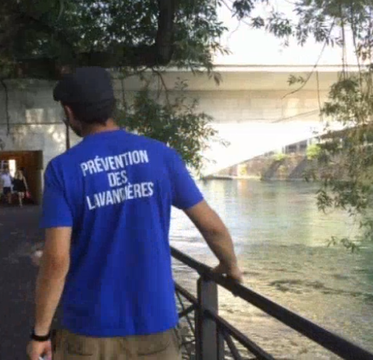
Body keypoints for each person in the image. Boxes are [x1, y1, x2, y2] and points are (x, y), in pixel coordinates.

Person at [27, 67, 243, 360]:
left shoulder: (63, 169)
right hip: (155, 327)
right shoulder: (162, 156)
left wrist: (40, 332)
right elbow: (212, 227)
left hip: (88, 331)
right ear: (112, 106)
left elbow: (56, 259)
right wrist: (230, 265)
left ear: (69, 112)